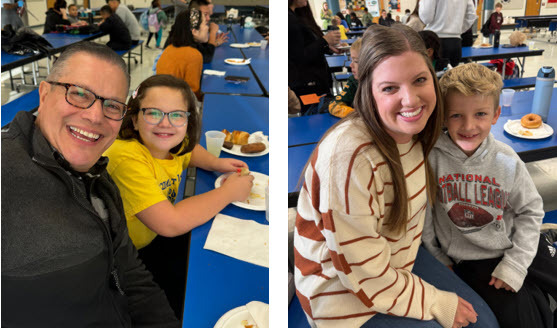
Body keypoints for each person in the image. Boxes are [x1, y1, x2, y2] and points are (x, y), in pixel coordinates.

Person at [295, 24, 497, 328]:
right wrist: (435, 301)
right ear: (369, 92)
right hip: (343, 297)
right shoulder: (349, 159)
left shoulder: (418, 133)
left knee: (485, 322)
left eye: (419, 80)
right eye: (390, 88)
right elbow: (364, 276)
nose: (411, 100)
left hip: (393, 262)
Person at [1, 41, 179, 327]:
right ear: (44, 94)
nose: (95, 116)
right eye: (79, 94)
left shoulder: (98, 177)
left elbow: (130, 273)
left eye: (112, 105)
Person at [104, 74, 253, 317]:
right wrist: (227, 193)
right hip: (122, 257)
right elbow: (170, 223)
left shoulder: (170, 141)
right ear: (134, 119)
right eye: (153, 113)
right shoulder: (126, 157)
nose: (166, 124)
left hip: (150, 237)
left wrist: (216, 162)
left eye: (177, 115)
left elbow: (190, 150)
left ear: (188, 121)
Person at [423, 63, 555, 328]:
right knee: (522, 317)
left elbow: (530, 211)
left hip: (516, 243)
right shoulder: (431, 159)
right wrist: (439, 259)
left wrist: (517, 264)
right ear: (443, 116)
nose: (469, 126)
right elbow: (425, 215)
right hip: (475, 261)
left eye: (480, 114)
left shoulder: (507, 160)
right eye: (456, 115)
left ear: (496, 115)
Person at [288, 0, 340, 106]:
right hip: (307, 84)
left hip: (318, 80)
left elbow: (308, 46)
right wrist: (324, 41)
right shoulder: (289, 20)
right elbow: (299, 57)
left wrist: (327, 47)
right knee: (314, 117)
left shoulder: (299, 15)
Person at [157, 9, 207, 100]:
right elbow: (193, 93)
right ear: (194, 31)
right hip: (176, 105)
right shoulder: (194, 55)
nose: (207, 28)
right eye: (205, 24)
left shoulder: (169, 48)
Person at [419, 0, 476, 67]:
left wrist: (421, 3)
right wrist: (457, 30)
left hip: (434, 41)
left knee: (433, 75)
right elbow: (471, 16)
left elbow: (426, 18)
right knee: (451, 75)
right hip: (455, 42)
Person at [328, 38, 361, 117]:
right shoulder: (354, 82)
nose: (350, 65)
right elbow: (334, 105)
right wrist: (355, 115)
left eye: (356, 61)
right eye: (351, 60)